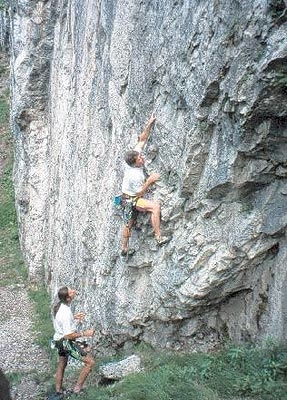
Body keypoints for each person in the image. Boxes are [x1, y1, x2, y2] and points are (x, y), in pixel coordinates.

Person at [121, 112, 170, 256]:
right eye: (139, 160)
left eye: (140, 156)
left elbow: (142, 139)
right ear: (134, 163)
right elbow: (139, 193)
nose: (142, 158)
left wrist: (150, 123)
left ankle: (124, 248)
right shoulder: (134, 176)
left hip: (126, 196)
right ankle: (159, 237)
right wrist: (150, 180)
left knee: (128, 223)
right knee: (154, 207)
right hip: (132, 199)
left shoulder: (133, 156)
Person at [52, 286, 95, 396]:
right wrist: (85, 333)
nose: (74, 291)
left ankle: (58, 391)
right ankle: (77, 390)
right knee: (90, 362)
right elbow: (69, 336)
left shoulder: (60, 306)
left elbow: (61, 321)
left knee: (62, 364)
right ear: (67, 298)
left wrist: (73, 317)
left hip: (58, 340)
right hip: (65, 342)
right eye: (71, 291)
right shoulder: (65, 313)